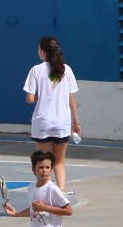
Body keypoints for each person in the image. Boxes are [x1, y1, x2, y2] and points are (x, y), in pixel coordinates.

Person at [22, 36, 80, 193]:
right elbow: (71, 97)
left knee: (43, 161)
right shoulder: (66, 70)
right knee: (59, 162)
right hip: (62, 122)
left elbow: (29, 98)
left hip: (43, 122)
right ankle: (61, 194)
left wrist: (42, 97)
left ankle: (43, 193)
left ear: (42, 51)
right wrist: (76, 122)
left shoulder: (36, 70)